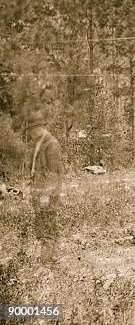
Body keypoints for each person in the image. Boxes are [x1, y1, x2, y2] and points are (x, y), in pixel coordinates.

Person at [24, 110, 65, 265]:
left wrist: (45, 196)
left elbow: (53, 174)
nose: (30, 134)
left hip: (47, 195)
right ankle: (49, 258)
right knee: (43, 227)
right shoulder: (39, 143)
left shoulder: (51, 145)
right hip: (40, 193)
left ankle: (49, 260)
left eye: (31, 130)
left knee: (48, 226)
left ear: (39, 128)